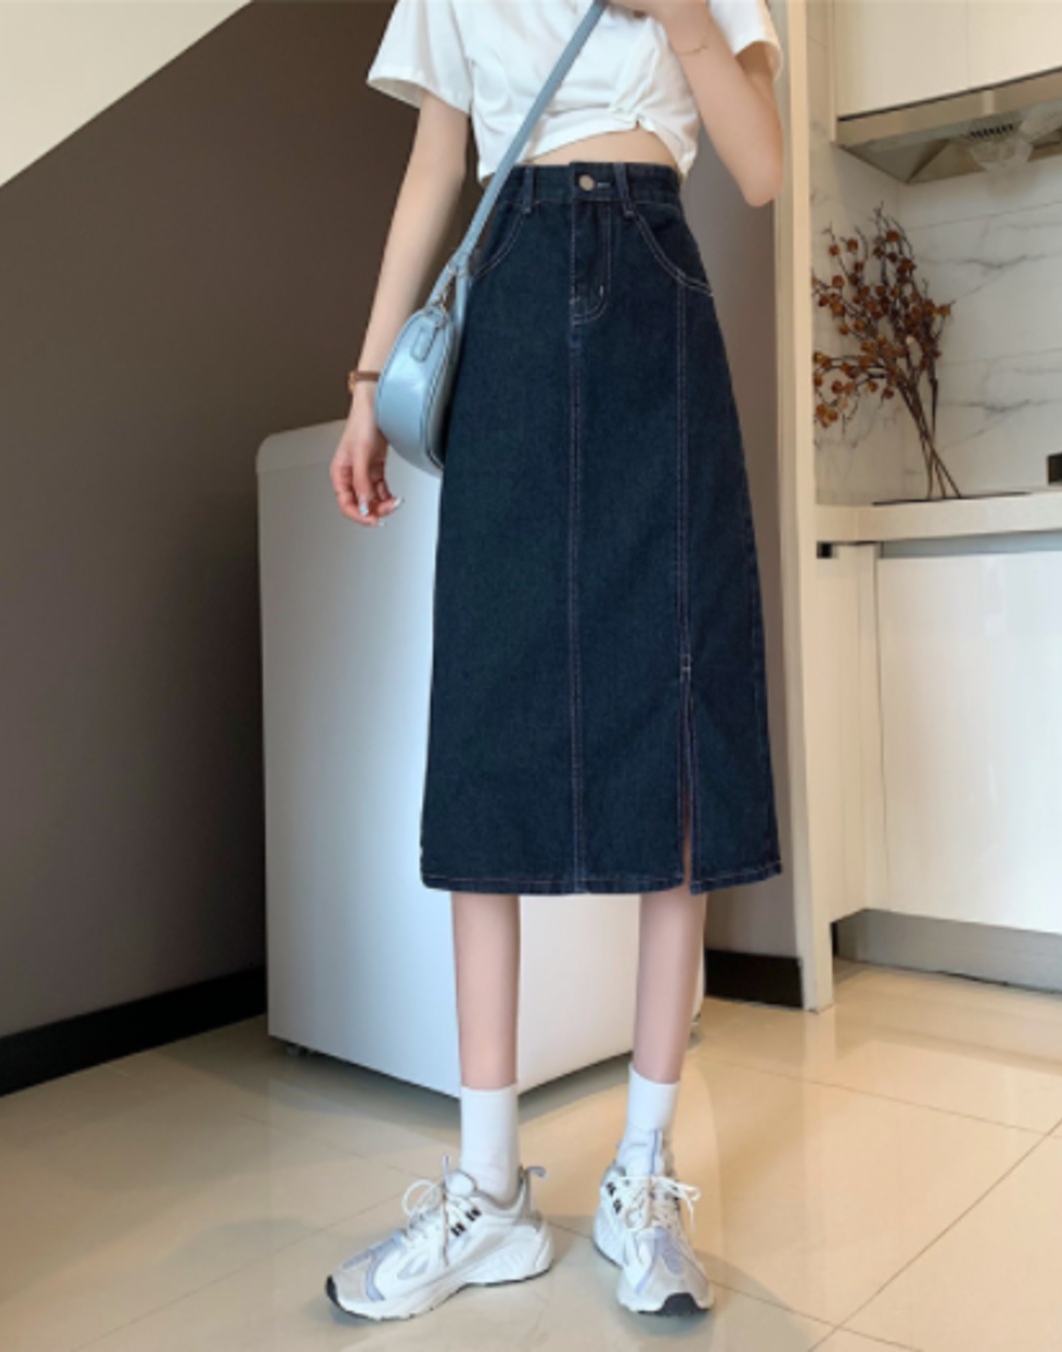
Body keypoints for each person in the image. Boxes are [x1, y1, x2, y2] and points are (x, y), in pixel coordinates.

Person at [325, 0, 785, 1323]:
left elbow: (760, 167)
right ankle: (488, 1192)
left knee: (677, 718)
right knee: (488, 714)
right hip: (512, 304)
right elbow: (435, 163)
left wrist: (683, 13)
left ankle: (643, 1174)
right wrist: (367, 385)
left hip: (658, 299)